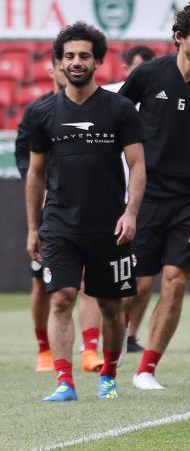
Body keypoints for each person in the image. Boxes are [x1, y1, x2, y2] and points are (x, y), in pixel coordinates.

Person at [119, 1, 190, 390]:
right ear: (179, 38)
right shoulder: (147, 76)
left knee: (175, 280)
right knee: (138, 284)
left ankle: (147, 369)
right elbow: (116, 120)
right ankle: (114, 348)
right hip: (146, 197)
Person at [25, 21, 146, 401]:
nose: (77, 62)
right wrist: (33, 227)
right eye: (70, 56)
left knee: (112, 306)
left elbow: (139, 164)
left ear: (97, 62)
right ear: (59, 63)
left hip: (110, 227)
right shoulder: (42, 112)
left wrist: (130, 213)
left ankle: (108, 374)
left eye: (84, 56)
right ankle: (64, 381)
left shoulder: (120, 109)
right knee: (61, 298)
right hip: (60, 224)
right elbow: (36, 172)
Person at [16, 54, 106, 374]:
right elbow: (29, 166)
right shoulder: (38, 113)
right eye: (63, 61)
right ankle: (43, 347)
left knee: (87, 281)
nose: (70, 66)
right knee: (44, 284)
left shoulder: (97, 109)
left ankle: (90, 349)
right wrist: (38, 211)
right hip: (50, 210)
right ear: (53, 69)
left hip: (87, 211)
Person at [103, 44, 156, 354]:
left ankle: (131, 333)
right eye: (137, 69)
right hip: (106, 198)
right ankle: (101, 336)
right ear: (125, 70)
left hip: (143, 198)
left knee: (144, 278)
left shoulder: (159, 99)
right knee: (102, 278)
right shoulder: (108, 97)